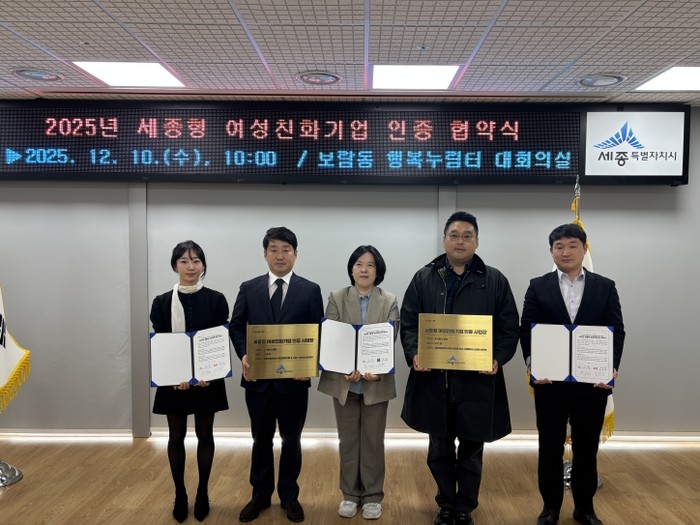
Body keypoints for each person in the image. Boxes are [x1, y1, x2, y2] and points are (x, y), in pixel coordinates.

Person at [400, 211, 519, 525]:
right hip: (435, 381)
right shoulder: (424, 277)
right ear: (444, 239)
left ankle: (465, 507)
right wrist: (414, 353)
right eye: (454, 235)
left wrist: (497, 357)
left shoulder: (495, 280)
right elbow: (409, 322)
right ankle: (445, 503)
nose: (460, 241)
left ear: (477, 241)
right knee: (438, 447)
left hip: (476, 382)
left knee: (471, 449)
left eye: (468, 236)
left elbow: (509, 327)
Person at [520, 223, 625, 525]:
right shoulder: (538, 286)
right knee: (549, 447)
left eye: (572, 246)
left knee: (587, 448)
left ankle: (585, 509)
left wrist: (610, 366)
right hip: (549, 383)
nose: (566, 252)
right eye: (559, 247)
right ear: (551, 251)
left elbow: (616, 329)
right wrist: (533, 363)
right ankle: (550, 508)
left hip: (592, 383)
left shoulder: (605, 286)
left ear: (584, 249)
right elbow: (527, 328)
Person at [229, 226, 324, 523]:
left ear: (296, 254)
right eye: (274, 249)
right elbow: (236, 325)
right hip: (258, 381)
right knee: (260, 440)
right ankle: (259, 496)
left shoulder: (310, 290)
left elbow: (318, 331)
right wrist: (244, 354)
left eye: (286, 249)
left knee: (291, 440)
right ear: (265, 254)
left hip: (294, 383)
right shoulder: (249, 288)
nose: (280, 255)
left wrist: (309, 364)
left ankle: (289, 496)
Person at [318, 245, 400, 520]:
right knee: (348, 441)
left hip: (376, 383)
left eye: (370, 265)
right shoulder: (337, 297)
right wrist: (345, 368)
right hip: (345, 383)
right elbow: (332, 337)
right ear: (351, 269)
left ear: (378, 271)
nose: (364, 269)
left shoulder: (389, 300)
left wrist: (376, 369)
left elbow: (389, 339)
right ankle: (350, 495)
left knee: (373, 442)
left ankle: (373, 496)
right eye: (359, 264)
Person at [151, 240, 230, 523]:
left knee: (205, 435)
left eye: (196, 260)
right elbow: (163, 344)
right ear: (175, 265)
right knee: (176, 437)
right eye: (184, 261)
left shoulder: (217, 299)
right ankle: (180, 494)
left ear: (203, 265)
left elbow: (218, 342)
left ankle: (203, 493)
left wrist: (210, 373)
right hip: (174, 382)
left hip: (208, 381)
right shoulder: (161, 303)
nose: (190, 266)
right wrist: (175, 376)